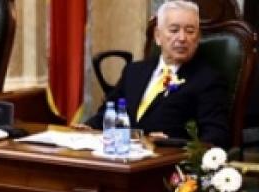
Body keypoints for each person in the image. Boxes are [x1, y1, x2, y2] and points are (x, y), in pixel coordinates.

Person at [86, 1, 230, 148]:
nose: (182, 38)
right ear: (158, 36)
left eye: (190, 31)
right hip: (121, 154)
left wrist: (170, 143)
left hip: (168, 158)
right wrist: (86, 128)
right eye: (174, 30)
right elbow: (107, 113)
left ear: (198, 38)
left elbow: (216, 137)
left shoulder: (208, 80)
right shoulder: (134, 71)